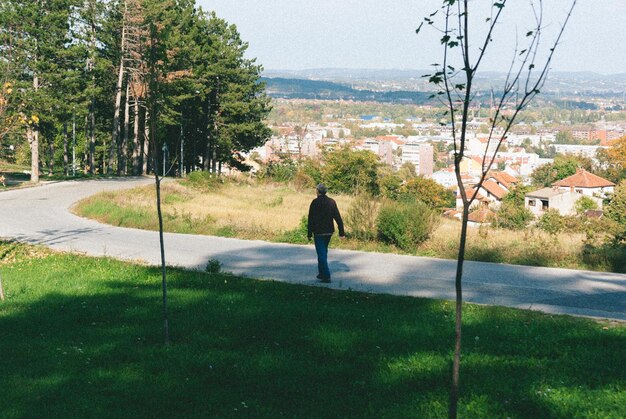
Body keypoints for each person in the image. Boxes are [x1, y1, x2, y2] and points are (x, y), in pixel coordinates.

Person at [307, 183, 345, 283]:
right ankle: (321, 273)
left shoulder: (315, 202)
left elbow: (310, 218)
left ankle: (326, 275)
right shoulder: (332, 202)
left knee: (321, 253)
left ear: (318, 191)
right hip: (329, 231)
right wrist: (341, 232)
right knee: (323, 252)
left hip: (318, 232)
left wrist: (309, 233)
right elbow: (338, 217)